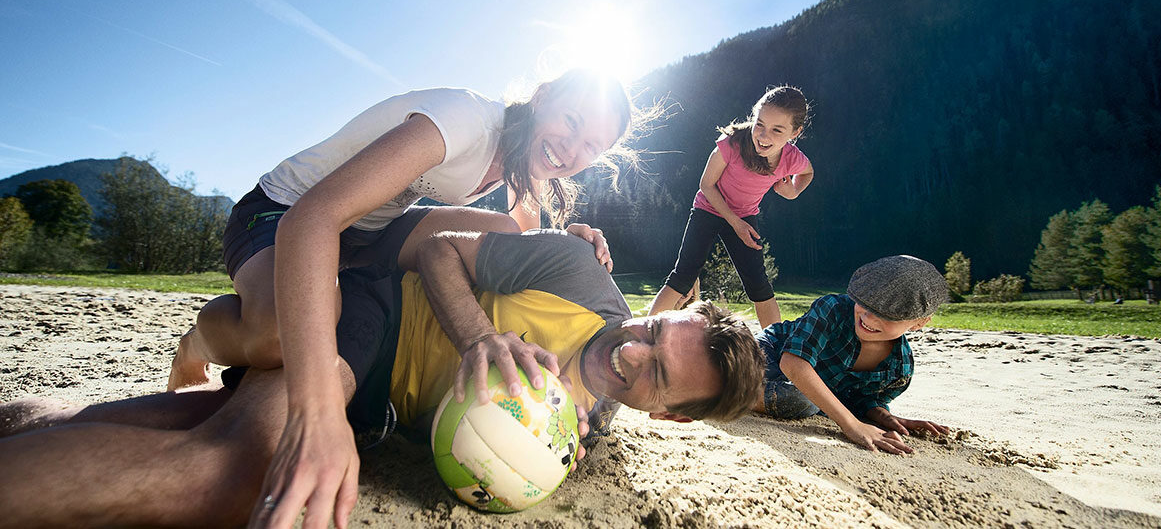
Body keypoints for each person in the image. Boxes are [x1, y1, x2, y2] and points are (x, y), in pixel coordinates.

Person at [0, 208, 764, 528]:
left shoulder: (590, 426)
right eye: (654, 329)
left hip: (381, 413)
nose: (632, 352)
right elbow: (435, 249)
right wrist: (475, 338)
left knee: (178, 420)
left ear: (668, 414)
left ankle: (27, 426)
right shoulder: (574, 274)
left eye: (657, 375)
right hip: (375, 318)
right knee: (239, 467)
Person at [164, 69, 642, 525]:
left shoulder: (523, 161)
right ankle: (202, 341)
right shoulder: (465, 121)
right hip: (285, 211)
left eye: (591, 146)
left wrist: (568, 240)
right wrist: (320, 414)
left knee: (503, 228)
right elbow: (314, 217)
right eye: (571, 122)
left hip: (367, 237)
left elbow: (524, 242)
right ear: (542, 97)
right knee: (278, 339)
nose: (572, 148)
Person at [648, 86, 814, 328]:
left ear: (795, 133)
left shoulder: (792, 158)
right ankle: (645, 332)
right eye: (760, 124)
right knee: (683, 276)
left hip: (745, 216)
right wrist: (735, 223)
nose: (764, 136)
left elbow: (808, 172)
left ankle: (775, 345)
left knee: (759, 285)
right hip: (708, 208)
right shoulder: (732, 144)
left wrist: (793, 191)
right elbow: (706, 185)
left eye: (777, 130)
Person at [754, 255, 951, 454]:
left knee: (801, 401)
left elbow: (861, 399)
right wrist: (852, 425)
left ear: (919, 323)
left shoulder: (899, 369)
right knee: (802, 399)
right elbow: (793, 364)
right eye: (864, 302)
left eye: (886, 314)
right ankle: (734, 392)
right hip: (769, 352)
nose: (869, 317)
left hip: (801, 394)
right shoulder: (833, 308)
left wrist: (882, 416)